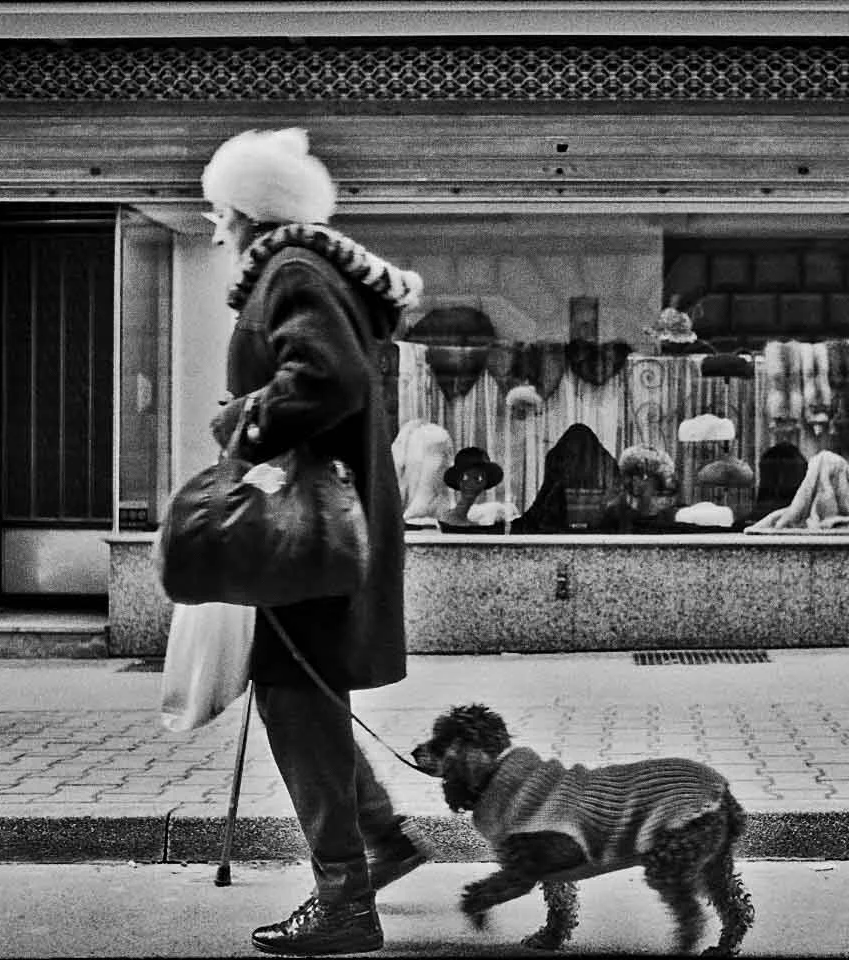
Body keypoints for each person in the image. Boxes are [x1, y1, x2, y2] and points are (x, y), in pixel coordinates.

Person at [202, 128, 427, 956]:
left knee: (297, 699)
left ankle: (345, 900)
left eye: (216, 209)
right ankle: (380, 841)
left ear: (242, 210)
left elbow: (326, 379)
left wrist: (240, 423)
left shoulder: (292, 273)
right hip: (324, 525)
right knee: (303, 690)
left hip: (310, 532)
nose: (212, 225)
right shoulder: (306, 271)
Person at [438, 447, 504, 527]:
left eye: (478, 479)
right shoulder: (447, 519)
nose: (471, 484)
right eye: (465, 478)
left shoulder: (475, 519)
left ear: (485, 482)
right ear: (458, 480)